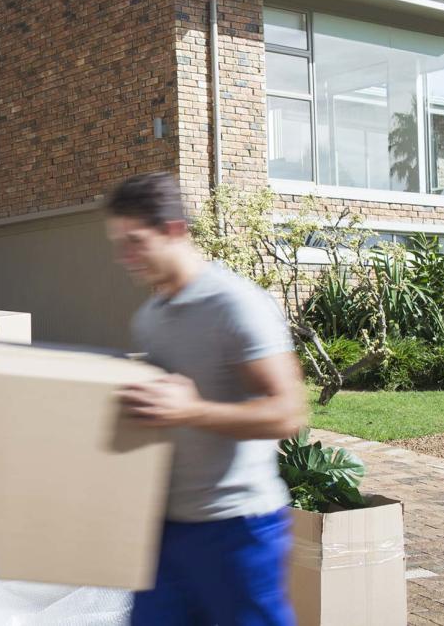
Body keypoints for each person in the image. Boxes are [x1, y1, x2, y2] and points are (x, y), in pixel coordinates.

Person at [104, 172, 307, 626]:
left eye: (134, 241)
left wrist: (192, 411)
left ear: (174, 230)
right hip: (168, 530)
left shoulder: (236, 305)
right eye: (119, 244)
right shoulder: (150, 319)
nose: (125, 257)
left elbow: (288, 411)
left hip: (239, 530)